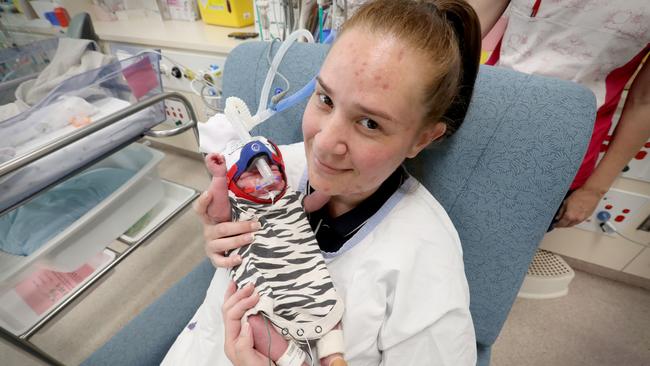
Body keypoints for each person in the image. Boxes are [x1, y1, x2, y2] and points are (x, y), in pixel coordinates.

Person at [162, 0, 482, 364]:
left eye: (370, 123)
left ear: (421, 139)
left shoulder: (425, 259)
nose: (326, 144)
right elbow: (230, 260)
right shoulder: (277, 167)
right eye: (326, 99)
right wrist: (219, 235)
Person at [468, 0, 650, 228]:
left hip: (561, 157)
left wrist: (595, 189)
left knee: (498, 250)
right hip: (477, 120)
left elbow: (645, 101)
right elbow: (465, 27)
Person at [203, 136, 347, 366]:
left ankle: (333, 356)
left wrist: (329, 189)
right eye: (252, 172)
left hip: (303, 276)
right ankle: (294, 361)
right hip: (264, 290)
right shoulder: (239, 210)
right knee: (254, 323)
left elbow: (312, 203)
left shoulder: (289, 198)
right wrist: (220, 178)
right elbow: (216, 214)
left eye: (272, 167)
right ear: (234, 186)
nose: (266, 174)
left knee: (327, 306)